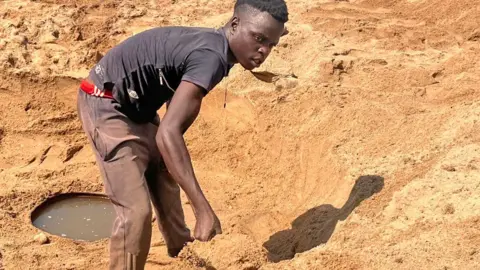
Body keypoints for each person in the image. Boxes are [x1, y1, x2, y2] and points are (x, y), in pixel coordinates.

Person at [76, 0, 288, 269]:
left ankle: (184, 257)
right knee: (136, 213)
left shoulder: (220, 48)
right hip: (106, 103)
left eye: (271, 44)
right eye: (258, 38)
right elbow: (168, 131)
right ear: (235, 24)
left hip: (138, 107)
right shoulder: (211, 56)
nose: (263, 50)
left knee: (166, 177)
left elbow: (175, 89)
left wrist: (166, 152)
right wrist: (203, 209)